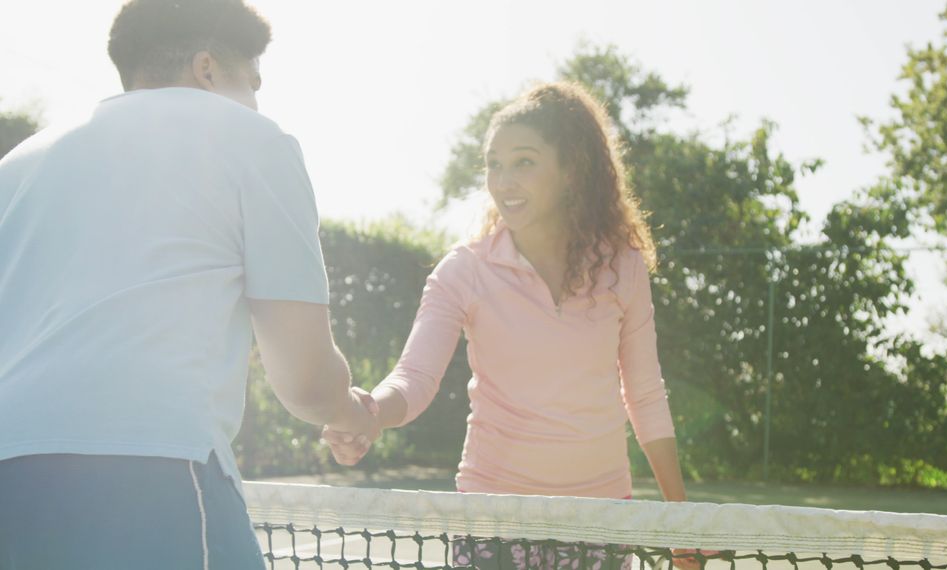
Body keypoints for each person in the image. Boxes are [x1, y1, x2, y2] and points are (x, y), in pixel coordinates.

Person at [0, 1, 376, 568]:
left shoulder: (19, 163)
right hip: (150, 472)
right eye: (251, 83)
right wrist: (352, 413)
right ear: (206, 68)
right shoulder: (255, 138)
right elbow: (305, 382)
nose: (254, 101)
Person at [325, 82, 694, 570]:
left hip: (600, 522)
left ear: (570, 170)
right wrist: (369, 412)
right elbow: (414, 378)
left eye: (524, 161)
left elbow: (644, 393)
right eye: (493, 164)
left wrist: (685, 523)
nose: (503, 181)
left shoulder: (622, 267)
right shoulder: (463, 270)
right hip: (492, 520)